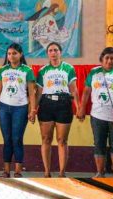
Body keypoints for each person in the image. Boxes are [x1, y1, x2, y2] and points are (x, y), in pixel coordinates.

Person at [78, 47, 113, 178]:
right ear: (101, 60)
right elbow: (86, 92)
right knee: (99, 144)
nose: (109, 60)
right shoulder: (94, 72)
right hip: (98, 116)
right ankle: (100, 173)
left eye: (112, 58)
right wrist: (81, 108)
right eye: (106, 58)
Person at [0, 43, 37, 177]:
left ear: (20, 54)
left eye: (14, 53)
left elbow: (32, 93)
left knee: (17, 138)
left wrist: (32, 110)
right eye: (9, 54)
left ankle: (18, 171)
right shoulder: (2, 70)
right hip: (3, 108)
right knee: (7, 139)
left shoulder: (27, 70)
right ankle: (5, 171)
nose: (11, 56)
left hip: (20, 109)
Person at [35, 42, 80, 178]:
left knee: (62, 140)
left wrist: (79, 108)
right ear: (47, 53)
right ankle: (47, 172)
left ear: (60, 52)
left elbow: (74, 89)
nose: (53, 53)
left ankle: (62, 172)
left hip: (64, 104)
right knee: (46, 139)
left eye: (55, 50)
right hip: (46, 105)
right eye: (50, 50)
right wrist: (33, 109)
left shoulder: (68, 68)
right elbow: (39, 92)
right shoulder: (43, 71)